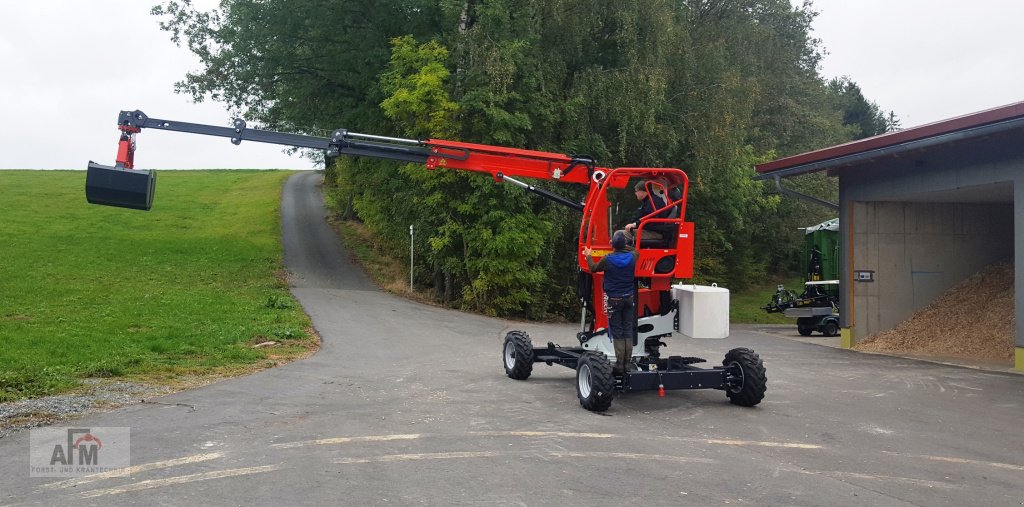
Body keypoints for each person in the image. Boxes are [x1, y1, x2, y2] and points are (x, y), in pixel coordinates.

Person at [583, 230, 638, 375]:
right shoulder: (633, 256)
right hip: (629, 298)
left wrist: (588, 255)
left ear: (612, 244)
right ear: (626, 244)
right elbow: (632, 248)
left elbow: (593, 269)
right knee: (627, 329)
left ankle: (620, 365)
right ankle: (627, 363)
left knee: (618, 332)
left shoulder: (608, 259)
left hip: (614, 300)